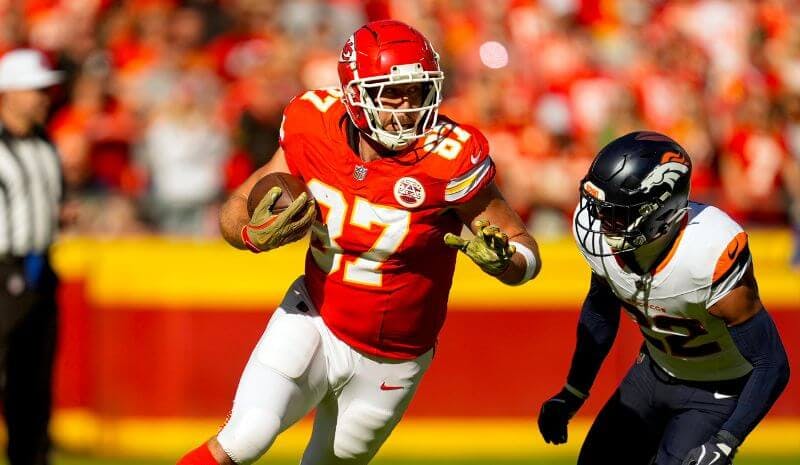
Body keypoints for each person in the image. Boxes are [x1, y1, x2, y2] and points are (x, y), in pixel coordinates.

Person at [178, 20, 541, 465]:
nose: (408, 107)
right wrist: (252, 234)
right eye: (393, 93)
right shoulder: (312, 124)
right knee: (245, 436)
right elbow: (236, 207)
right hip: (314, 316)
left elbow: (524, 249)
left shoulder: (450, 157)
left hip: (394, 358)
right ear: (355, 94)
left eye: (418, 91)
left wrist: (505, 262)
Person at [537, 131, 790, 465]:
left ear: (660, 211)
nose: (600, 223)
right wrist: (574, 391)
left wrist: (727, 440)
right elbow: (600, 311)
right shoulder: (602, 237)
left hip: (715, 393)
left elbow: (772, 363)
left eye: (618, 214)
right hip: (651, 374)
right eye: (599, 209)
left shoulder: (707, 252)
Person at [0, 48, 65, 465]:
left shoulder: (44, 142)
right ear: (9, 92)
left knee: (34, 384)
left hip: (41, 270)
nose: (44, 97)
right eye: (35, 89)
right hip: (2, 272)